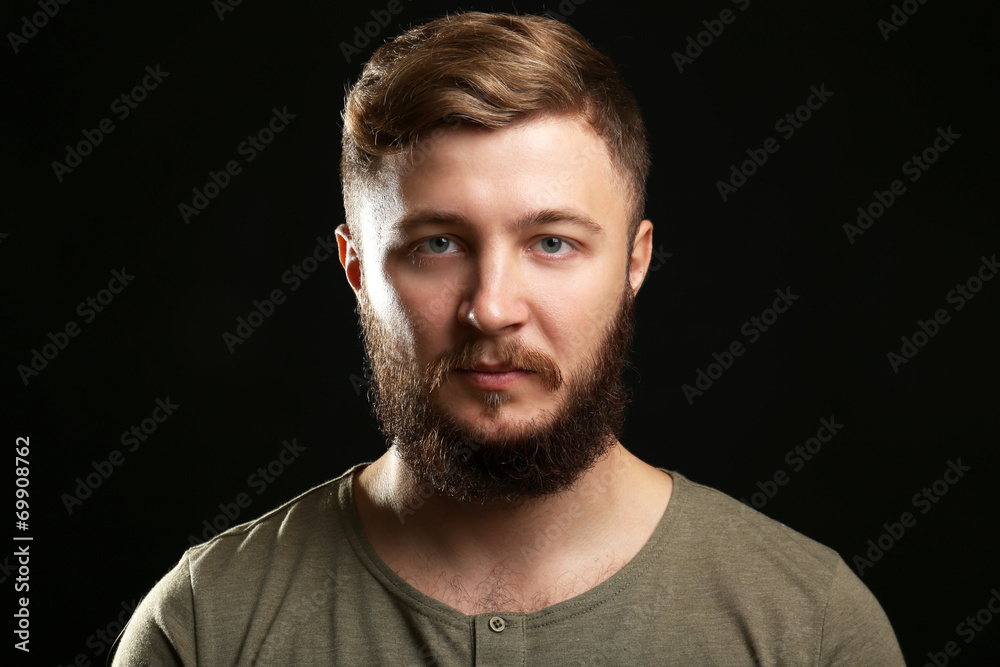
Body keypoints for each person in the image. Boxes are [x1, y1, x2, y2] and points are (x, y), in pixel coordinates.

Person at [113, 11, 905, 665]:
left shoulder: (812, 627)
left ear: (636, 263)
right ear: (355, 267)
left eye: (552, 242)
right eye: (437, 244)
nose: (491, 309)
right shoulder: (204, 626)